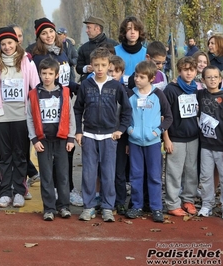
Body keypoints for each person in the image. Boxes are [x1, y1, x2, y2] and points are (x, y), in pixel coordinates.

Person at [74, 47, 132, 222]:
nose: (100, 68)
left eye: (103, 65)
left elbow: (127, 111)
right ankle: (89, 206)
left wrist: (120, 130)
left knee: (108, 173)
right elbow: (77, 109)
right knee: (89, 174)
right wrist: (78, 131)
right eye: (96, 65)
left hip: (109, 137)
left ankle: (108, 207)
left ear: (109, 66)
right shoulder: (86, 85)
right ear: (91, 65)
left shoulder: (116, 86)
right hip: (89, 135)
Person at [0, 27, 40, 208]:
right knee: (5, 157)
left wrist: (36, 119)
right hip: (2, 117)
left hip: (21, 117)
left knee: (20, 156)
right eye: (3, 44)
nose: (7, 47)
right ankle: (5, 192)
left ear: (16, 42)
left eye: (10, 43)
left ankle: (19, 191)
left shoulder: (27, 62)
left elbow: (35, 89)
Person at [31, 17, 82, 207]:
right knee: (49, 158)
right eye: (44, 33)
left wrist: (78, 87)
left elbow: (67, 79)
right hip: (47, 106)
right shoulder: (36, 56)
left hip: (65, 104)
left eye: (51, 31)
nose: (49, 36)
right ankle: (52, 194)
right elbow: (39, 81)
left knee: (67, 153)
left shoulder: (63, 51)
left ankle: (67, 190)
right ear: (39, 37)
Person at [27, 57, 75, 221]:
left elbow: (71, 117)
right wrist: (34, 139)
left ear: (56, 75)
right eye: (44, 73)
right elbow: (30, 118)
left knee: (62, 175)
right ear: (39, 74)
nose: (47, 76)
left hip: (61, 140)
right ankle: (49, 208)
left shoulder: (64, 93)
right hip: (43, 141)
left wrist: (71, 138)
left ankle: (64, 206)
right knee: (46, 176)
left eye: (50, 73)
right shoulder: (34, 94)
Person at [125, 60, 173, 223]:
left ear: (151, 78)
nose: (137, 79)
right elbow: (124, 117)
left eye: (141, 77)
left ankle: (156, 208)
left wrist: (157, 132)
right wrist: (131, 130)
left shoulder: (158, 95)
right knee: (136, 175)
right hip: (135, 142)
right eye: (136, 76)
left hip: (153, 143)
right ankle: (137, 205)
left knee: (154, 176)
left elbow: (168, 117)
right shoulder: (130, 94)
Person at [163, 57, 199, 216]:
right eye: (185, 70)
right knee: (174, 172)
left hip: (193, 137)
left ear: (196, 71)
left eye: (192, 70)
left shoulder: (197, 89)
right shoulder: (171, 89)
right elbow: (163, 116)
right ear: (179, 71)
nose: (189, 73)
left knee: (191, 171)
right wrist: (166, 138)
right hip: (175, 138)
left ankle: (188, 200)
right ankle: (172, 203)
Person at [197, 65, 223, 217]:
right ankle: (207, 204)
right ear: (203, 80)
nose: (212, 80)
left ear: (220, 79)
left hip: (221, 145)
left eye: (215, 77)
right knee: (205, 176)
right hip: (206, 145)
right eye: (209, 77)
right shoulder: (200, 94)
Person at [107, 55, 129, 215]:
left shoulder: (126, 92)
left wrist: (126, 138)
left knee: (119, 172)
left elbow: (128, 116)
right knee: (106, 171)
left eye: (116, 71)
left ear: (122, 73)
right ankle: (107, 200)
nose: (113, 74)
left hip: (120, 138)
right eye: (110, 71)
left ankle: (120, 202)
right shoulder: (102, 89)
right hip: (103, 136)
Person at [76, 16, 118, 81]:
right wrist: (86, 68)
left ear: (98, 28)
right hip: (89, 84)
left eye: (88, 28)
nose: (86, 31)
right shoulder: (83, 48)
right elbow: (78, 67)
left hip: (110, 83)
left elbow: (118, 64)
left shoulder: (114, 45)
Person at [115, 16, 147, 85]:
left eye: (135, 29)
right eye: (129, 29)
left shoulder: (146, 53)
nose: (132, 32)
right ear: (124, 31)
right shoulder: (115, 51)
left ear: (139, 32)